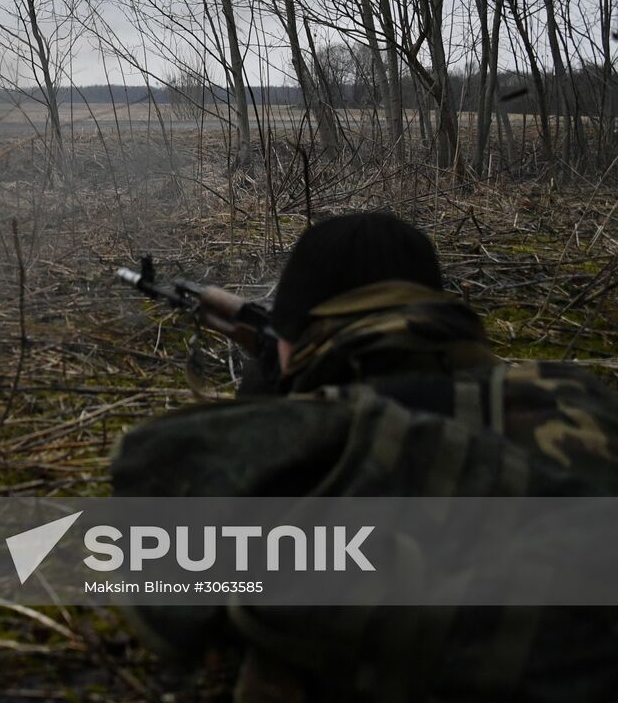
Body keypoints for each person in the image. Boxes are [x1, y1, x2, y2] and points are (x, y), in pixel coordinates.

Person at [112, 211, 618, 702]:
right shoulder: (575, 395)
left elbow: (155, 508)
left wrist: (270, 403)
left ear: (297, 333)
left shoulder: (330, 432)